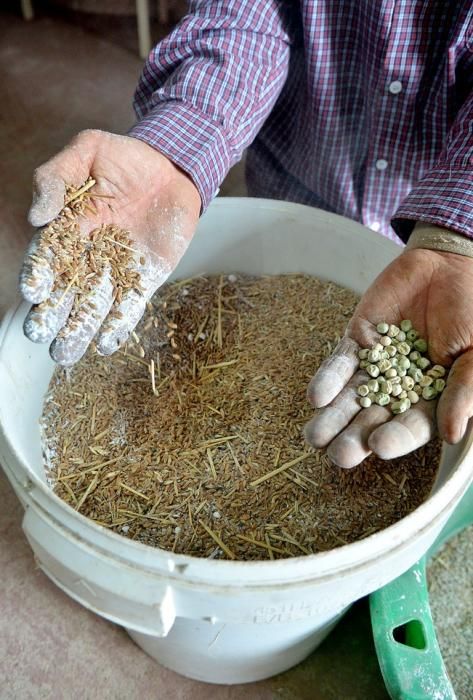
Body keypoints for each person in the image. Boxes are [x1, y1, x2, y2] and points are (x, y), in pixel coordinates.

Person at [19, 1, 473, 469]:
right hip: (298, 169)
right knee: (268, 291)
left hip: (431, 203)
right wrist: (178, 147)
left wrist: (458, 238)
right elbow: (246, 12)